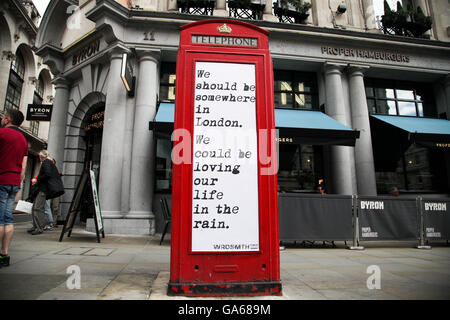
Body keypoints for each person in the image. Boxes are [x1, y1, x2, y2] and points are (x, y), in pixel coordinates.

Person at [0, 109, 28, 267]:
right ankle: (4, 253)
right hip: (13, 182)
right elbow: (23, 167)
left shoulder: (2, 134)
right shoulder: (23, 140)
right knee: (8, 218)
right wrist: (18, 182)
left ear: (8, 119)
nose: (3, 119)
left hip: (1, 179)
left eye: (4, 117)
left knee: (0, 219)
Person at [28, 150, 65, 235]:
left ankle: (39, 227)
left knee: (38, 208)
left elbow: (47, 174)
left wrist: (38, 179)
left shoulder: (46, 162)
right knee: (35, 207)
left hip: (43, 189)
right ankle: (36, 226)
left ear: (41, 156)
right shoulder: (48, 163)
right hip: (42, 189)